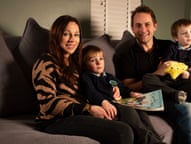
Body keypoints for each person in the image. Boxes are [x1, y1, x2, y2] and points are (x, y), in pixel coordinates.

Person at [113, 5, 191, 144]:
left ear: (155, 26)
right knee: (189, 109)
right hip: (158, 98)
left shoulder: (168, 46)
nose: (143, 30)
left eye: (147, 24)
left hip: (183, 88)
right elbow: (128, 87)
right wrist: (157, 73)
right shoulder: (126, 55)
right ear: (133, 28)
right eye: (138, 25)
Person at [32, 15, 155, 144]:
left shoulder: (76, 63)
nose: (72, 39)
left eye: (76, 35)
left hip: (83, 113)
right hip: (55, 120)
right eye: (66, 34)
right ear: (57, 36)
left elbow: (95, 85)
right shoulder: (46, 62)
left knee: (134, 112)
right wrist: (89, 109)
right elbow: (47, 104)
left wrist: (114, 92)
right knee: (123, 131)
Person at [80, 45, 163, 144]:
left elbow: (122, 88)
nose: (99, 63)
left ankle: (156, 139)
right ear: (85, 64)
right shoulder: (86, 77)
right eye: (93, 60)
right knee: (130, 113)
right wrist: (104, 102)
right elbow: (91, 93)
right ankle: (148, 141)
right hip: (110, 104)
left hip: (120, 101)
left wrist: (131, 93)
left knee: (142, 113)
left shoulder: (109, 77)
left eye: (101, 59)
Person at [141, 18, 191, 104]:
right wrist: (168, 65)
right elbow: (166, 62)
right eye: (184, 33)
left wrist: (188, 73)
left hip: (185, 81)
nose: (189, 35)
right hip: (168, 81)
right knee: (147, 78)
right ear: (176, 37)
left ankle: (172, 96)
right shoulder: (171, 48)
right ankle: (173, 94)